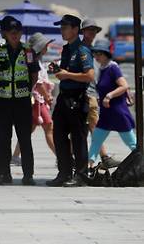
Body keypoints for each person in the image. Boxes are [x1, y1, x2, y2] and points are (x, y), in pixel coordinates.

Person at [0, 16, 40, 186]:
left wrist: (26, 91)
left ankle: (28, 175)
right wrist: (0, 87)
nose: (15, 35)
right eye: (11, 32)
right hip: (4, 101)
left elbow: (34, 74)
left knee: (24, 138)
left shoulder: (28, 51)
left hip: (22, 101)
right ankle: (1, 174)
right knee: (3, 139)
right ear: (5, 34)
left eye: (17, 32)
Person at [46, 15, 94, 187]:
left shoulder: (82, 50)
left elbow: (89, 75)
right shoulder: (66, 49)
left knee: (78, 138)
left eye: (65, 27)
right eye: (61, 27)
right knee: (58, 135)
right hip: (64, 97)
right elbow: (66, 71)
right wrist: (57, 69)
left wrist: (67, 75)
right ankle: (64, 172)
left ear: (75, 30)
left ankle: (81, 175)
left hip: (77, 98)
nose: (62, 30)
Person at [87, 41, 136, 167]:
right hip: (106, 113)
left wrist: (109, 96)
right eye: (95, 53)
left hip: (118, 112)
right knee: (96, 140)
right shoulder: (102, 69)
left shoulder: (113, 68)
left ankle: (141, 165)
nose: (96, 56)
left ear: (106, 54)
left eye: (99, 53)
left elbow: (124, 86)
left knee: (132, 144)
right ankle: (89, 166)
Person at [81, 19, 119, 168]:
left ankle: (71, 158)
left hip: (92, 94)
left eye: (94, 30)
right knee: (93, 127)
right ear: (82, 31)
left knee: (90, 127)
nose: (92, 33)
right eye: (89, 30)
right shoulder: (81, 49)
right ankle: (104, 158)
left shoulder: (94, 50)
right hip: (85, 94)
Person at [12, 33, 57, 162]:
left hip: (37, 100)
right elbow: (38, 83)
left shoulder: (38, 60)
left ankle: (15, 156)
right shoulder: (35, 61)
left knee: (29, 130)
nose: (47, 47)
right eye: (46, 45)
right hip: (38, 101)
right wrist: (47, 96)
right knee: (49, 126)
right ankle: (60, 157)